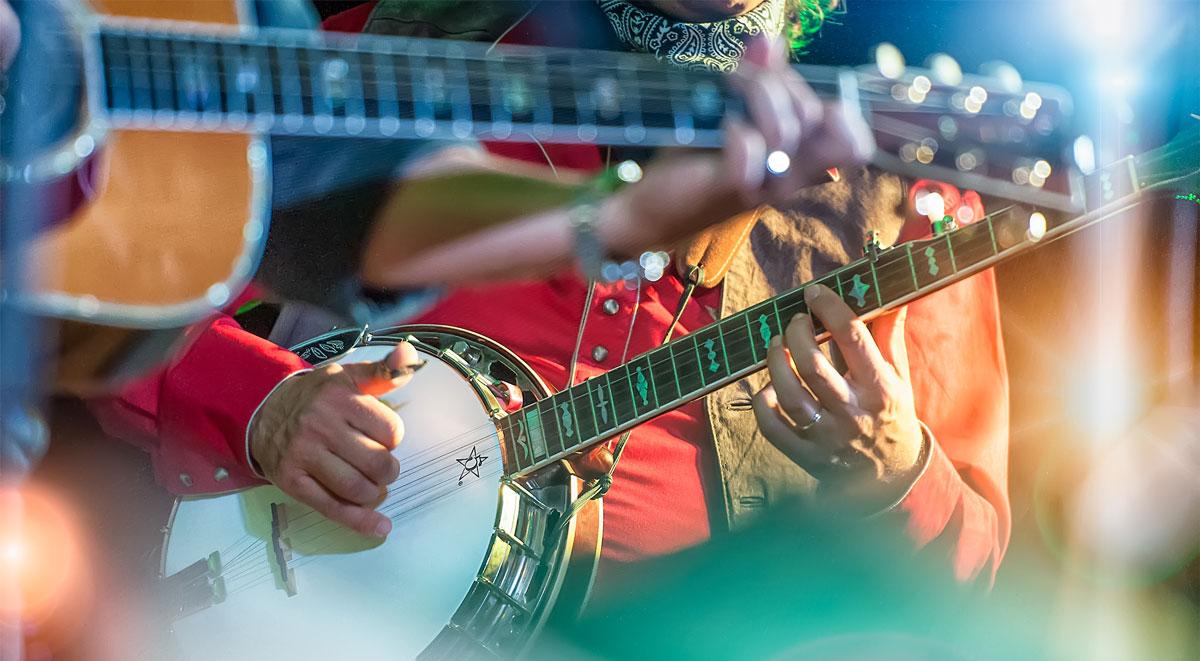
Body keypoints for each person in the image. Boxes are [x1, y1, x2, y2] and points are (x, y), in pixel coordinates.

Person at [94, 0, 1010, 593]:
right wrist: (262, 402)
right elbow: (98, 273)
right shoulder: (394, 52)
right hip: (305, 654)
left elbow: (973, 561)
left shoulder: (911, 200)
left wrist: (895, 471)